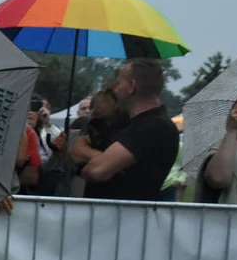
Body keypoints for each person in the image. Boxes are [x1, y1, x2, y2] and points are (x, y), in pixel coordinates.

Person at [72, 59, 180, 201]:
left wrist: (87, 155)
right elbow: (77, 155)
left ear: (132, 86)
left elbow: (96, 170)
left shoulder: (154, 126)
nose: (114, 90)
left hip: (124, 218)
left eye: (119, 83)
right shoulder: (134, 123)